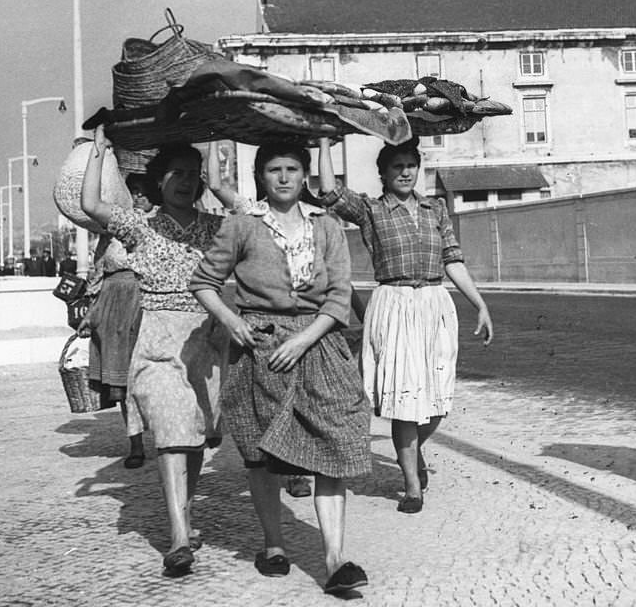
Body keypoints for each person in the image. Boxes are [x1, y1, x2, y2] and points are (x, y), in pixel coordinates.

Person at [190, 141, 370, 597]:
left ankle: (334, 559)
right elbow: (205, 282)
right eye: (274, 170)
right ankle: (274, 545)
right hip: (262, 350)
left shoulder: (326, 225)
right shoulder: (242, 226)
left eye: (292, 168)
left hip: (319, 344)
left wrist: (306, 338)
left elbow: (339, 293)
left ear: (304, 174)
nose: (285, 177)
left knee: (335, 441)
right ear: (261, 177)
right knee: (262, 455)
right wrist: (232, 322)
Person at [317, 136, 493, 515]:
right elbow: (329, 192)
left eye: (410, 165)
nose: (404, 172)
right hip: (393, 304)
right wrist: (324, 143)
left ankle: (410, 454)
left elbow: (453, 260)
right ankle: (412, 485)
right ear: (382, 173)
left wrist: (479, 303)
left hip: (434, 304)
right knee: (404, 401)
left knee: (438, 401)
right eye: (396, 166)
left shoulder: (436, 210)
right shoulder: (371, 211)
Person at [81, 128, 228, 578]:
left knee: (198, 433)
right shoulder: (139, 225)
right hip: (158, 340)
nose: (185, 182)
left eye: (193, 174)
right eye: (176, 174)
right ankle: (179, 536)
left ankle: (186, 513)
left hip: (206, 340)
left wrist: (216, 159)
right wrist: (100, 151)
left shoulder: (215, 227)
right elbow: (90, 205)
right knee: (169, 430)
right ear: (159, 181)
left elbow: (252, 222)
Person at [78, 172, 155, 469]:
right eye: (133, 192)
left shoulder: (157, 225)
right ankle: (135, 443)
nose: (138, 197)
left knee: (149, 374)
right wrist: (91, 311)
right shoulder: (112, 229)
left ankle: (166, 437)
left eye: (143, 192)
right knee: (120, 378)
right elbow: (98, 270)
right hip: (113, 302)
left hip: (144, 299)